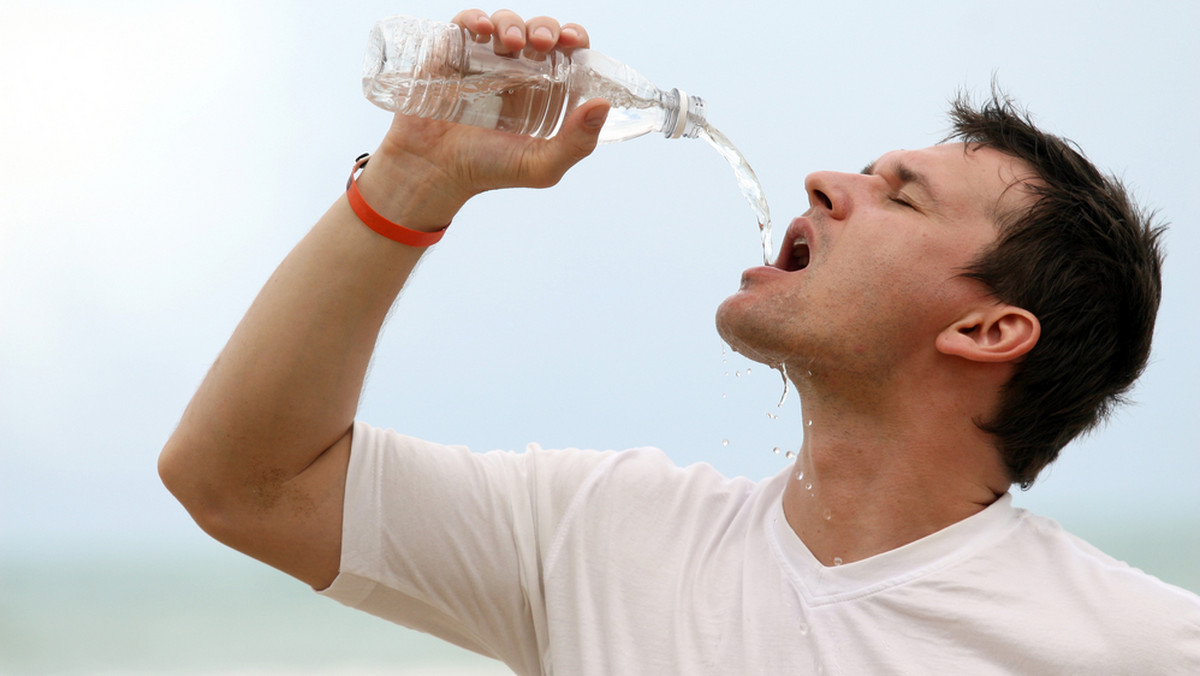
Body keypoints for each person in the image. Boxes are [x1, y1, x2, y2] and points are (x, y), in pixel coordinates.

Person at [158, 8, 1200, 674]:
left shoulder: (1137, 645)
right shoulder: (600, 534)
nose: (827, 182)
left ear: (987, 328)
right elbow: (240, 479)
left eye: (903, 196)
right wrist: (407, 187)